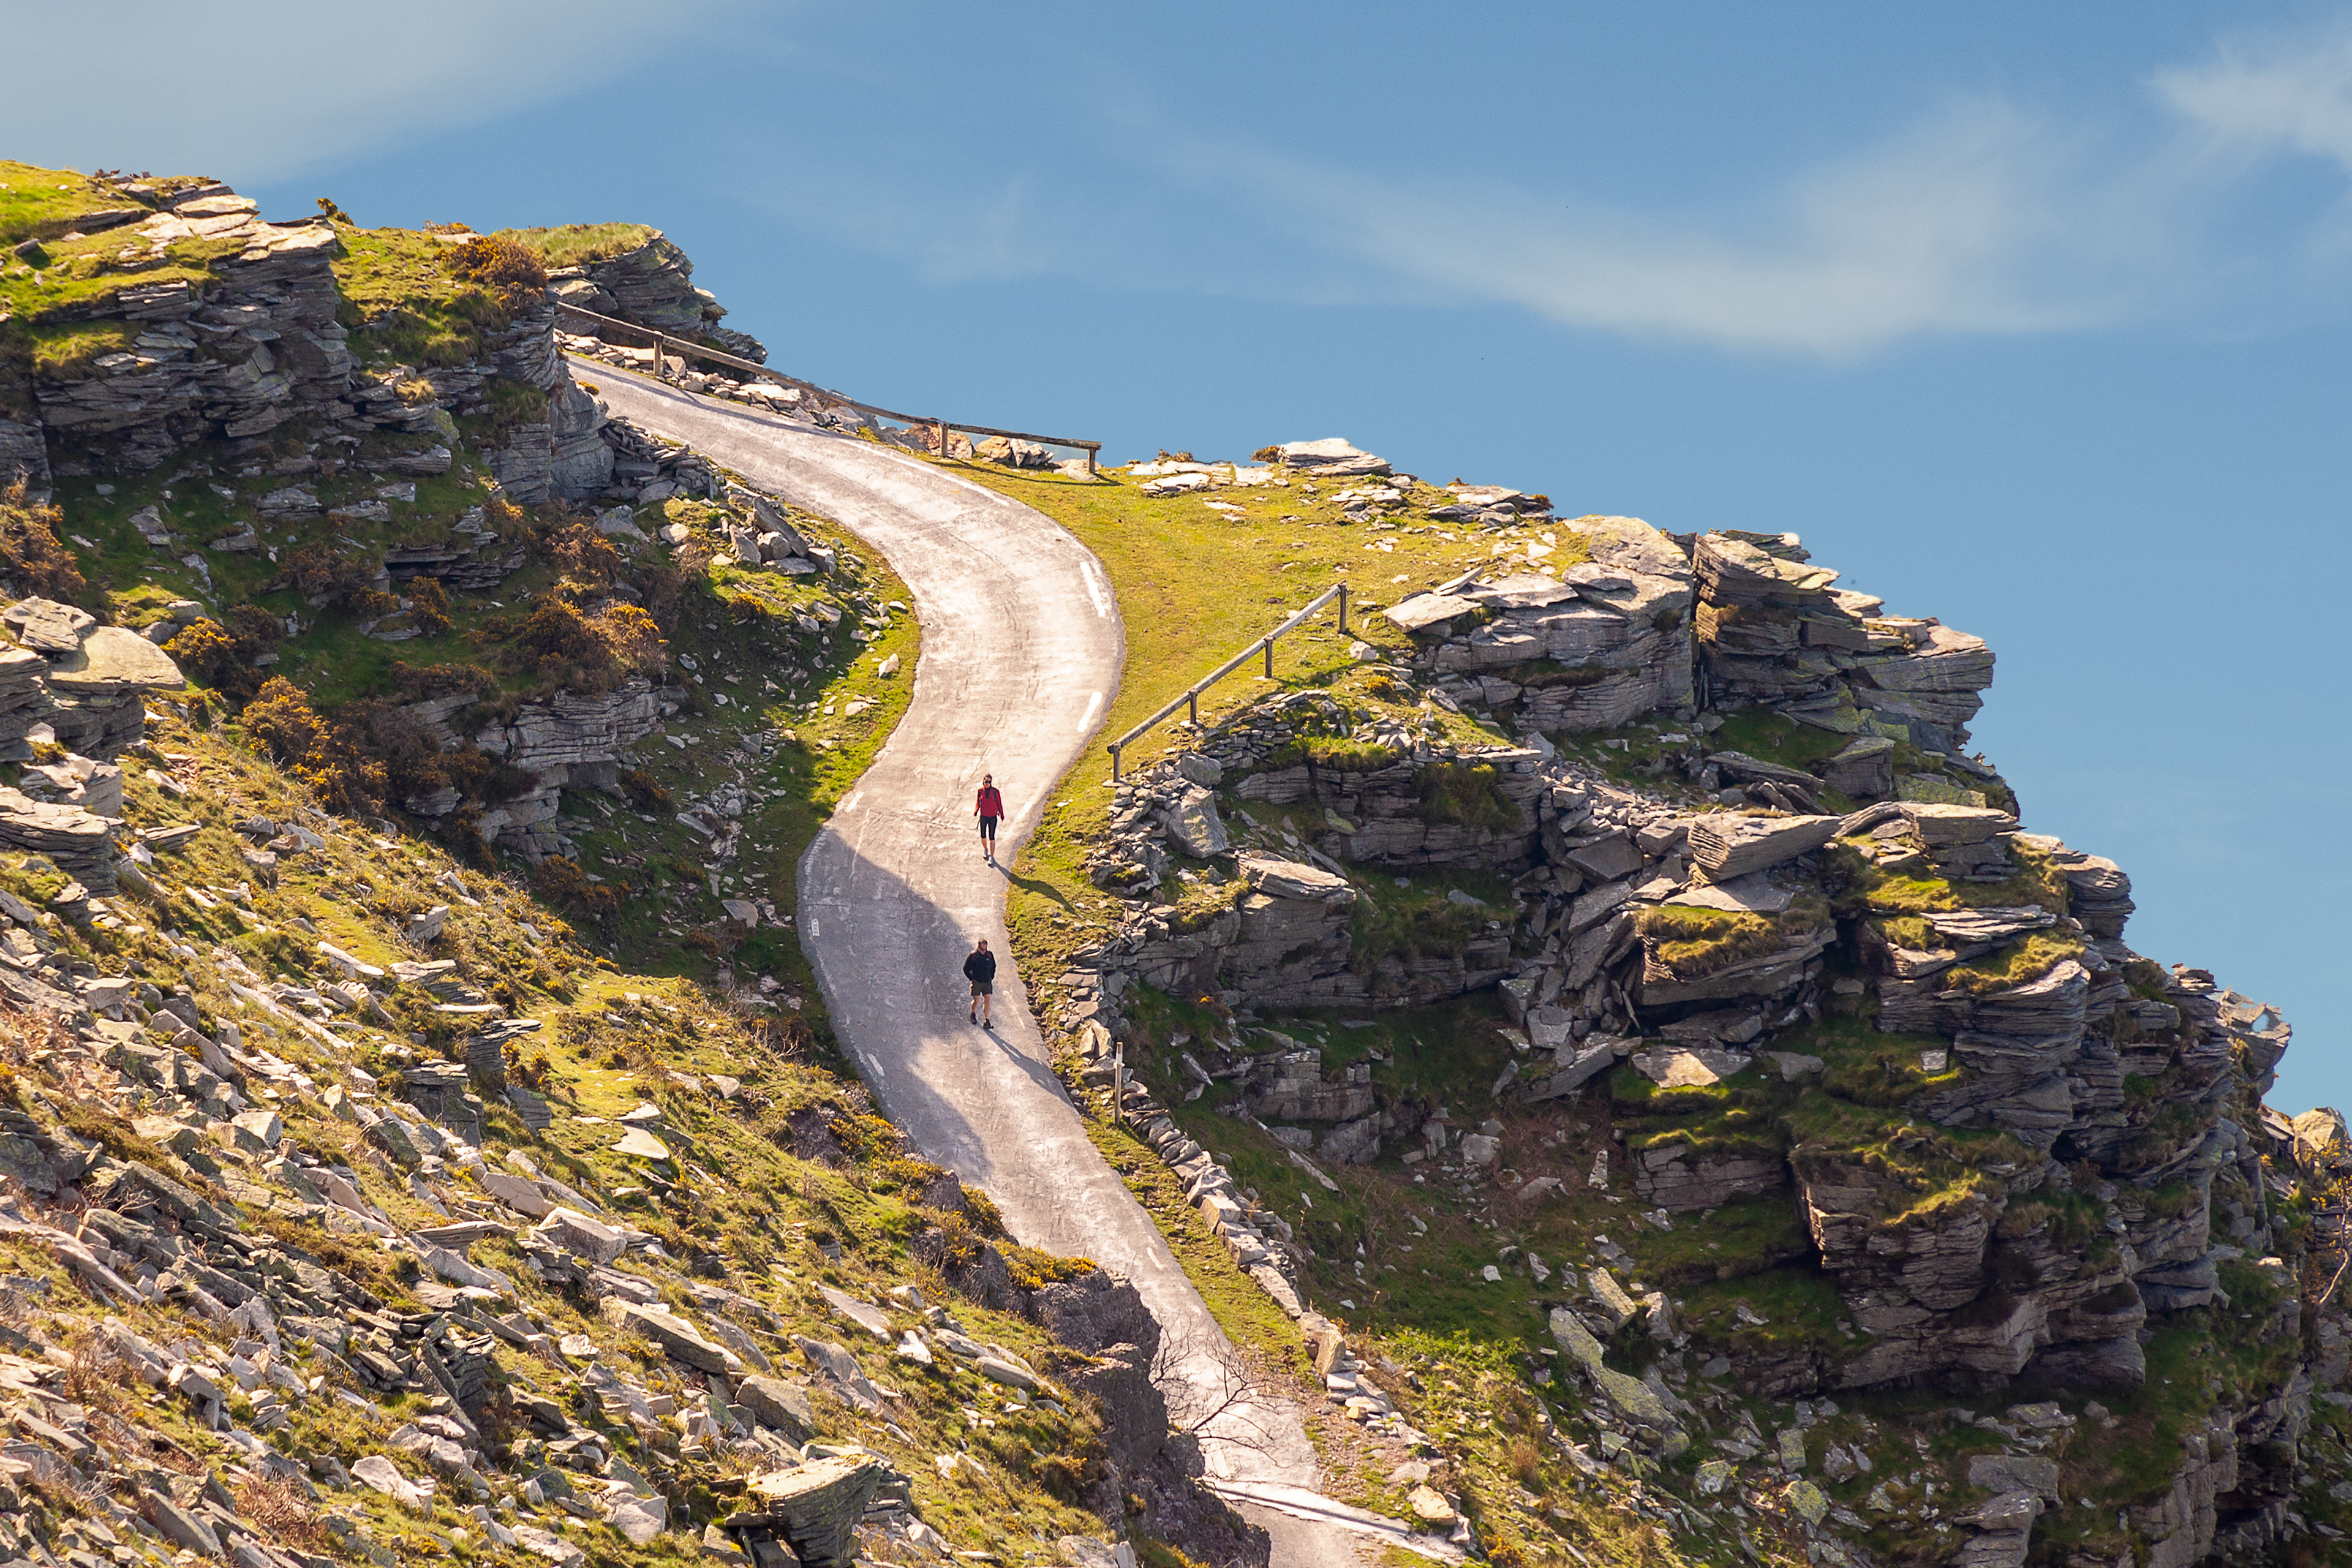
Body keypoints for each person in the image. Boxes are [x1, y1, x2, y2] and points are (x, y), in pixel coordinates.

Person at [963, 939, 997, 1027]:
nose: (984, 951)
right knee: (977, 1000)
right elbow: (965, 968)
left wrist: (991, 976)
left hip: (987, 982)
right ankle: (973, 1013)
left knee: (987, 1000)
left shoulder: (989, 955)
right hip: (977, 982)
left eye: (985, 949)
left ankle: (987, 1020)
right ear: (978, 947)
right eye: (982, 950)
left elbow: (993, 966)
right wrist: (971, 978)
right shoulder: (973, 956)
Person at [974, 774, 1005, 865]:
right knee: (983, 835)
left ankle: (992, 856)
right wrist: (976, 811)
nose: (988, 784)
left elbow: (999, 804)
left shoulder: (995, 792)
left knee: (992, 836)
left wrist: (1002, 815)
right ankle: (985, 849)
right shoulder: (980, 791)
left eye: (989, 782)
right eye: (986, 782)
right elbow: (978, 802)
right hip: (983, 816)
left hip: (992, 817)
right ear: (983, 781)